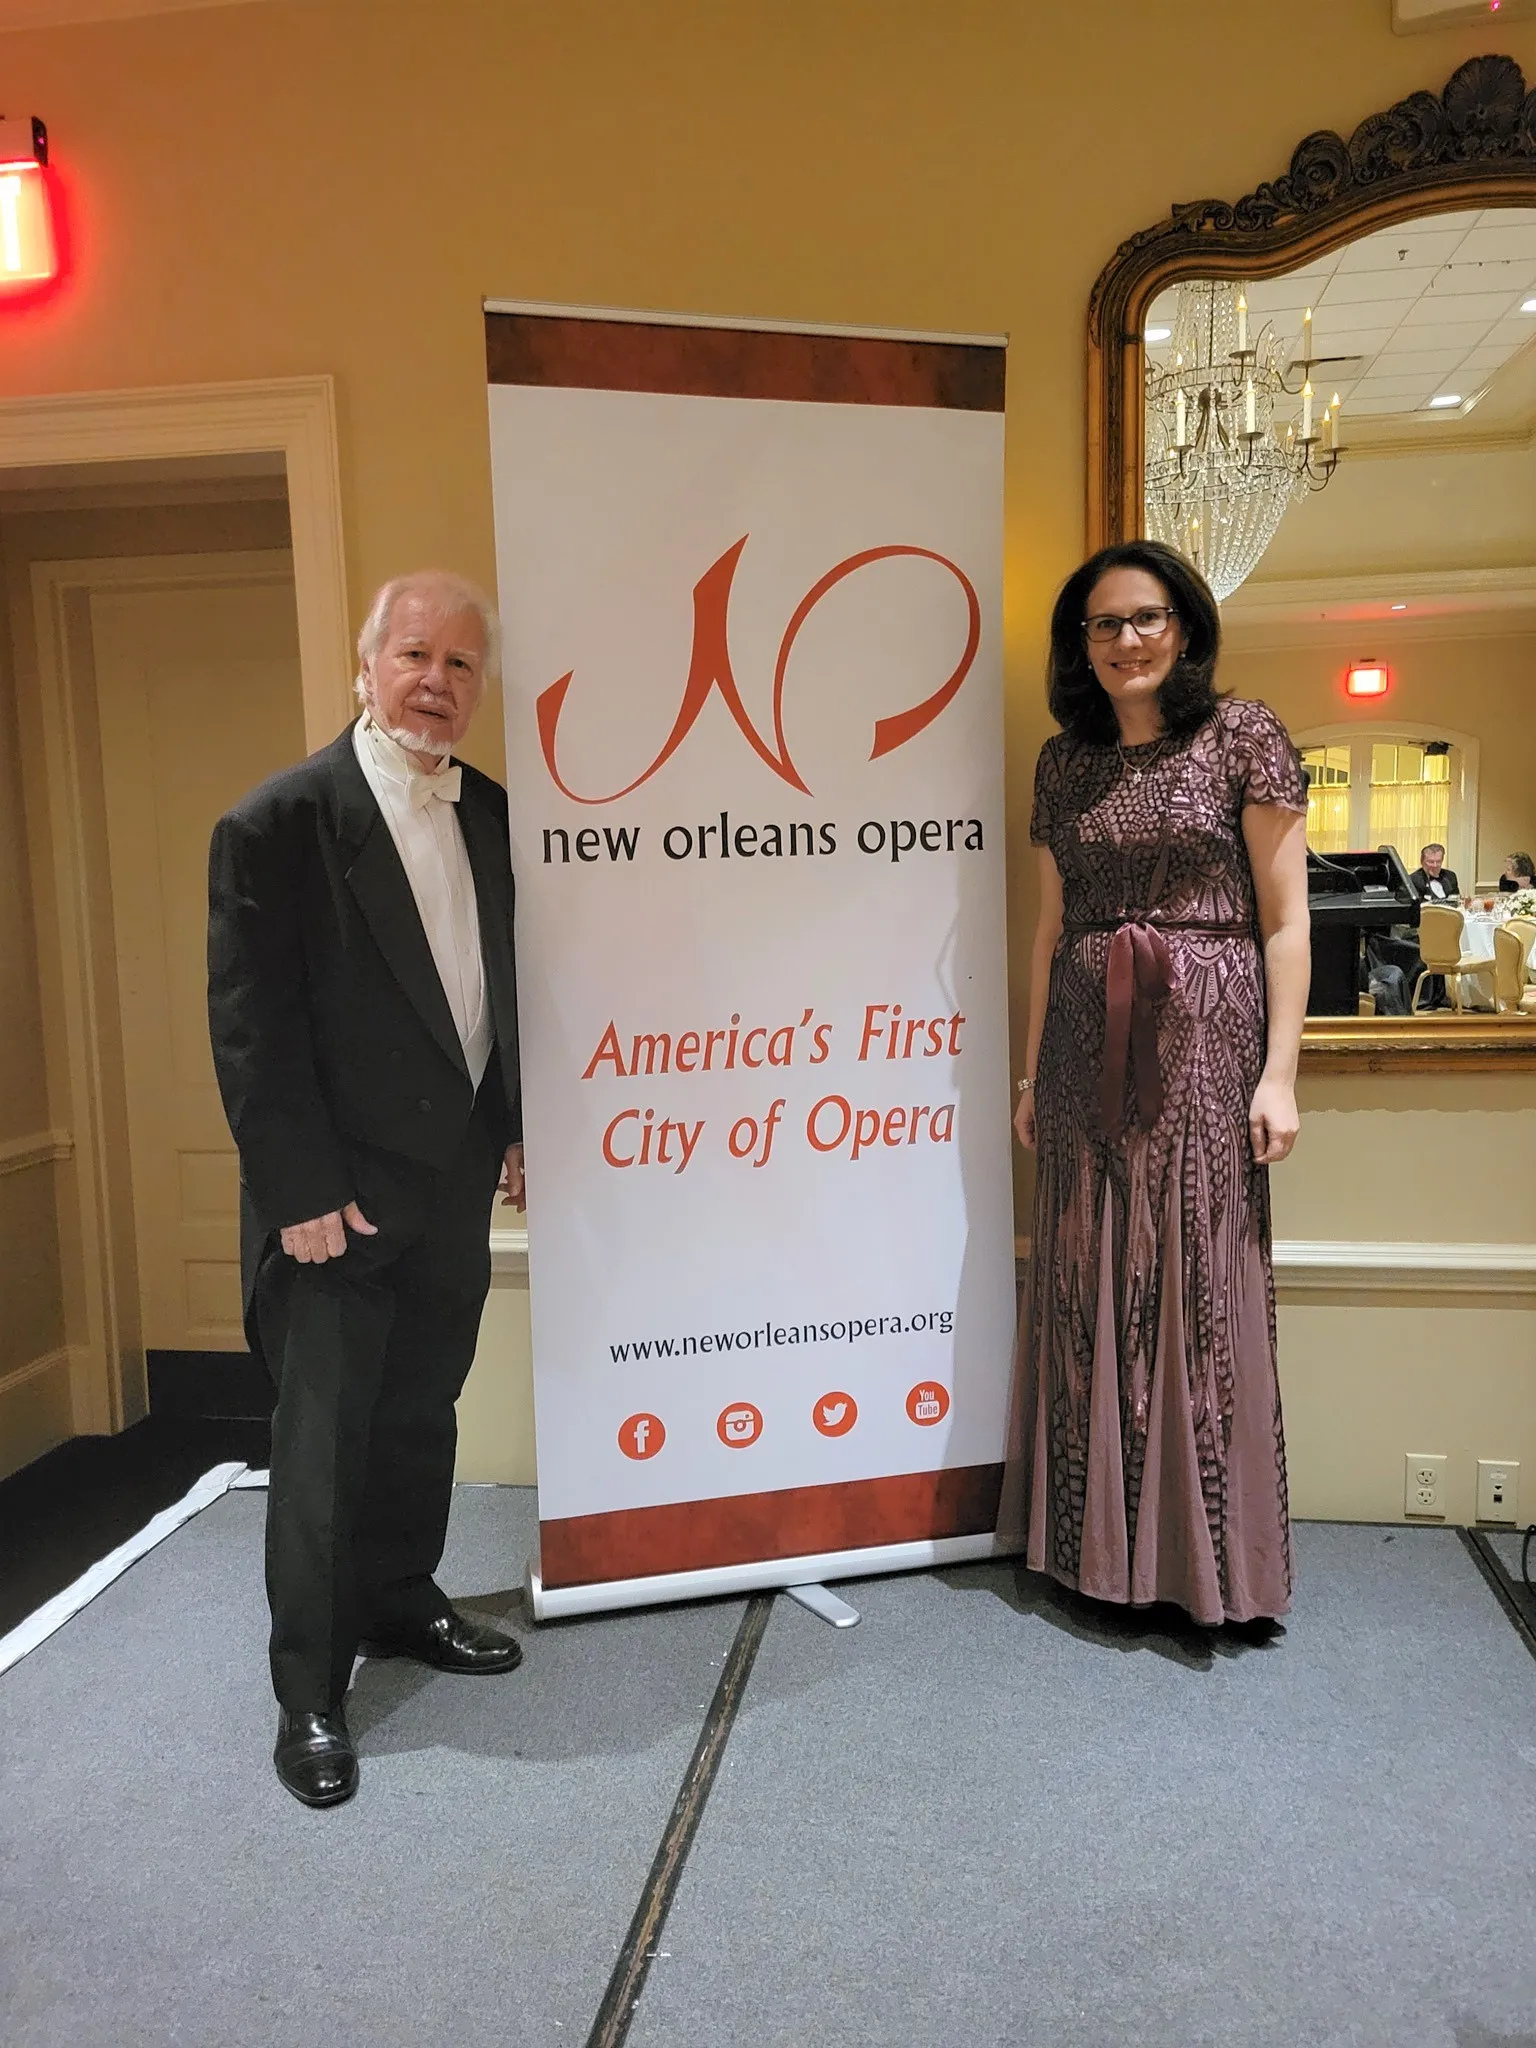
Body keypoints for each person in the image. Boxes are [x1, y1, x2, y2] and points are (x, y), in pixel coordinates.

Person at [208, 571, 526, 1809]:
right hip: (329, 1202)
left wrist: (514, 1130)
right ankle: (309, 1692)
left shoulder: (494, 811)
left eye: (459, 664)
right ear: (364, 665)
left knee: (420, 1416)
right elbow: (253, 1027)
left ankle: (401, 1603)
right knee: (323, 1447)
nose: (435, 682)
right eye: (413, 654)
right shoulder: (276, 822)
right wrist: (296, 1187)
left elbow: (502, 995)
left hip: (449, 1187)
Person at [1001, 539, 1310, 1633]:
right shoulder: (1064, 762)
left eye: (1145, 617)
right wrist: (1035, 1071)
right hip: (1088, 1038)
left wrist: (1281, 1073)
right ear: (1078, 648)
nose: (1125, 640)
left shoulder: (1244, 734)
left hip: (1208, 1043)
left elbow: (1284, 919)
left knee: (1195, 1270)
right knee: (1090, 1264)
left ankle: (1202, 1561)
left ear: (1184, 625)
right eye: (1102, 625)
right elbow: (1049, 927)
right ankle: (1094, 1548)